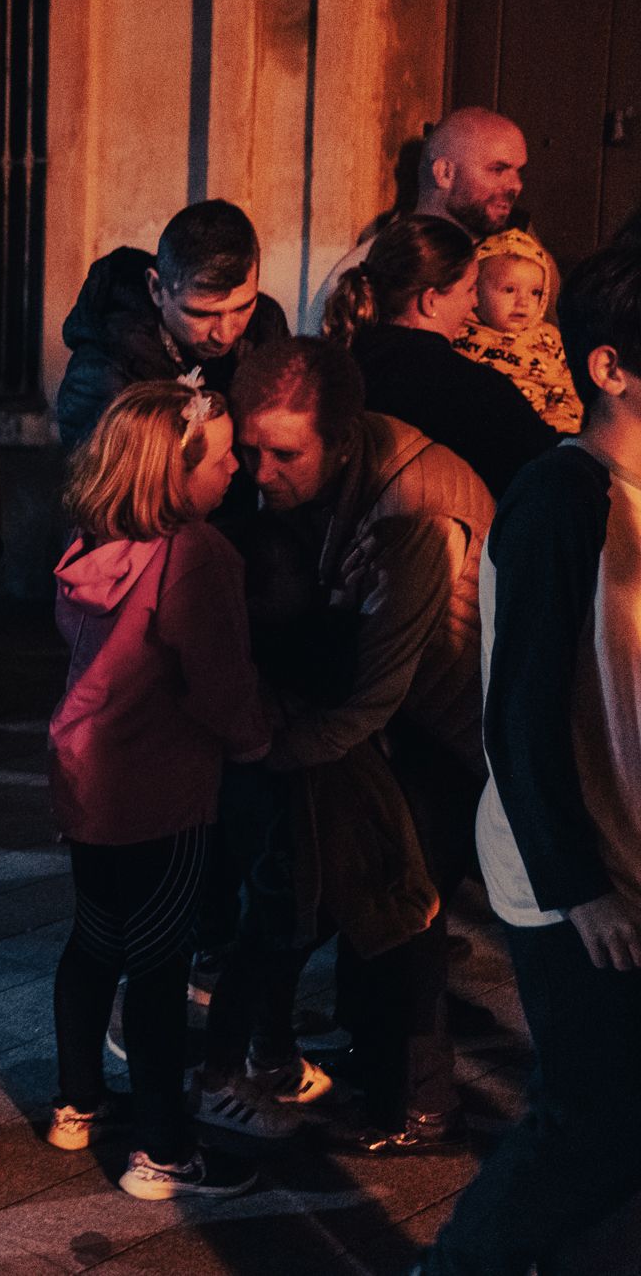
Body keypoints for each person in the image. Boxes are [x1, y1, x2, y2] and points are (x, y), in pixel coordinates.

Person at [421, 241, 641, 1275]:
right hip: (576, 880)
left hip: (622, 852)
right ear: (608, 368)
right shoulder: (563, 498)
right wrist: (580, 888)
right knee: (586, 1117)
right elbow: (516, 718)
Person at [226, 339, 495, 1154]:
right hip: (398, 723)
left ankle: (419, 1105)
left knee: (403, 904)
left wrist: (263, 749)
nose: (259, 470)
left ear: (340, 440)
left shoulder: (415, 506)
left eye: (282, 453)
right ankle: (379, 1069)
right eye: (247, 447)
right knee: (357, 891)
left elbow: (370, 697)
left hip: (454, 734)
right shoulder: (341, 473)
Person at [47, 375, 267, 1200]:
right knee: (159, 961)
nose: (239, 466)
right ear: (177, 471)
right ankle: (162, 1149)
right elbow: (218, 680)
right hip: (162, 787)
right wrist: (255, 742)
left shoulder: (89, 542)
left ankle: (77, 1103)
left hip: (84, 774)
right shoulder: (195, 553)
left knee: (94, 937)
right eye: (225, 452)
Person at [323, 214, 558, 498]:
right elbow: (547, 472)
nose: (474, 302)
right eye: (470, 288)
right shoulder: (474, 390)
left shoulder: (337, 366)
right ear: (430, 301)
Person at [57, 199, 290, 454]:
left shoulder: (266, 323)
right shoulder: (104, 367)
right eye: (201, 314)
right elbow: (105, 483)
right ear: (156, 289)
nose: (224, 334)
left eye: (242, 308)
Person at [305, 107, 529, 333]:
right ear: (444, 173)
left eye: (518, 172)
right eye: (498, 169)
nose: (515, 186)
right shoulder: (375, 267)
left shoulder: (525, 262)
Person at [453, 228, 583, 433]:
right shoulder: (457, 332)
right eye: (509, 290)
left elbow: (567, 393)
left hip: (534, 433)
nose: (523, 302)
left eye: (535, 292)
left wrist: (554, 431)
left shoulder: (549, 339)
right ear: (475, 290)